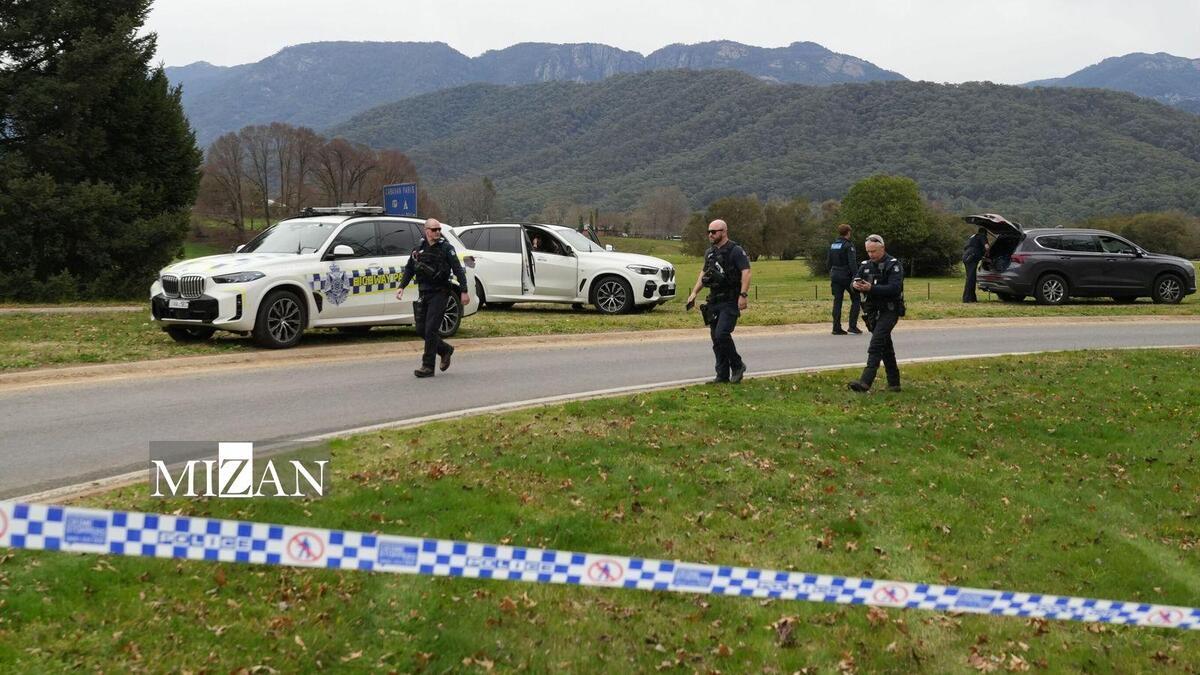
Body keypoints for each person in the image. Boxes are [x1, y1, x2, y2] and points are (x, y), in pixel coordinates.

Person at [396, 218, 470, 378]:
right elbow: (410, 268)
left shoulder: (446, 248)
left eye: (439, 229)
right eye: (434, 229)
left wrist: (464, 291)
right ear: (426, 230)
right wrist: (401, 286)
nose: (437, 232)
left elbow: (458, 270)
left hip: (440, 292)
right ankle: (445, 350)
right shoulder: (419, 249)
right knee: (421, 330)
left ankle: (427, 366)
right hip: (424, 293)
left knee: (431, 330)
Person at [686, 219, 752, 384]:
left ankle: (737, 366)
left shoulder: (735, 251)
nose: (710, 234)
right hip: (714, 300)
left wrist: (743, 295)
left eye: (714, 231)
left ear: (723, 232)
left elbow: (746, 272)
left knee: (722, 334)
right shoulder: (709, 253)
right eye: (708, 231)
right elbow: (703, 274)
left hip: (730, 300)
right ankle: (722, 375)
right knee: (716, 339)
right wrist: (694, 292)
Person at [848, 234, 905, 393]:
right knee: (886, 347)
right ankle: (894, 383)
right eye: (868, 251)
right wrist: (855, 285)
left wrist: (871, 288)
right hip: (872, 311)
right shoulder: (865, 265)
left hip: (890, 310)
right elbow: (854, 282)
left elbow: (895, 288)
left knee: (876, 344)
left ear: (882, 248)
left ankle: (865, 382)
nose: (871, 255)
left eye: (874, 251)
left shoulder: (893, 265)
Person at [827, 223, 862, 334]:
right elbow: (852, 263)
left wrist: (832, 273)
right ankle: (852, 326)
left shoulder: (833, 245)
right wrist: (856, 277)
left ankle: (836, 328)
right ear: (848, 232)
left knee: (837, 301)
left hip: (835, 275)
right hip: (846, 276)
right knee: (856, 299)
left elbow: (828, 262)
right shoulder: (848, 245)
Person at [961, 226, 989, 302]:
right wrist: (989, 254)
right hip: (971, 257)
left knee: (971, 277)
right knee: (971, 278)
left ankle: (972, 298)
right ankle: (967, 299)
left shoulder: (973, 237)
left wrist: (981, 255)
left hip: (966, 256)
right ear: (984, 233)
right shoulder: (982, 236)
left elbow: (967, 247)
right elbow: (987, 247)